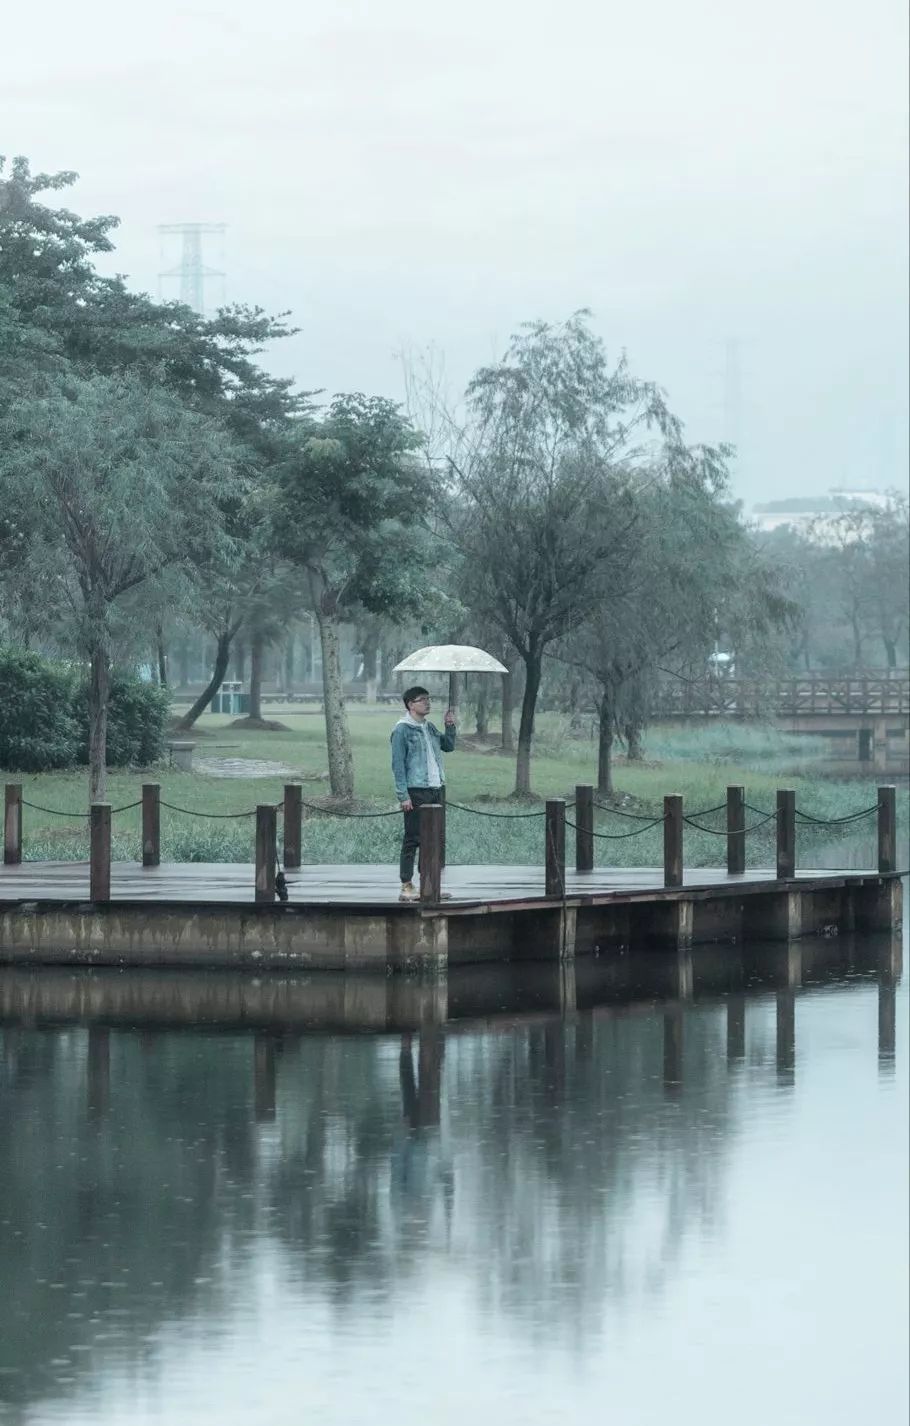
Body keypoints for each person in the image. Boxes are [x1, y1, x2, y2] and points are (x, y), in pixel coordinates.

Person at [391, 686, 456, 900]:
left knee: (434, 839)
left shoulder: (429, 727)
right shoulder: (402, 730)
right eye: (422, 700)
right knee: (413, 838)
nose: (427, 703)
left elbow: (448, 746)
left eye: (429, 699)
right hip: (416, 790)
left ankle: (428, 885)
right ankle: (406, 885)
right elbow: (398, 765)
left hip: (436, 789)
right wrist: (403, 795)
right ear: (410, 704)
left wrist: (449, 725)